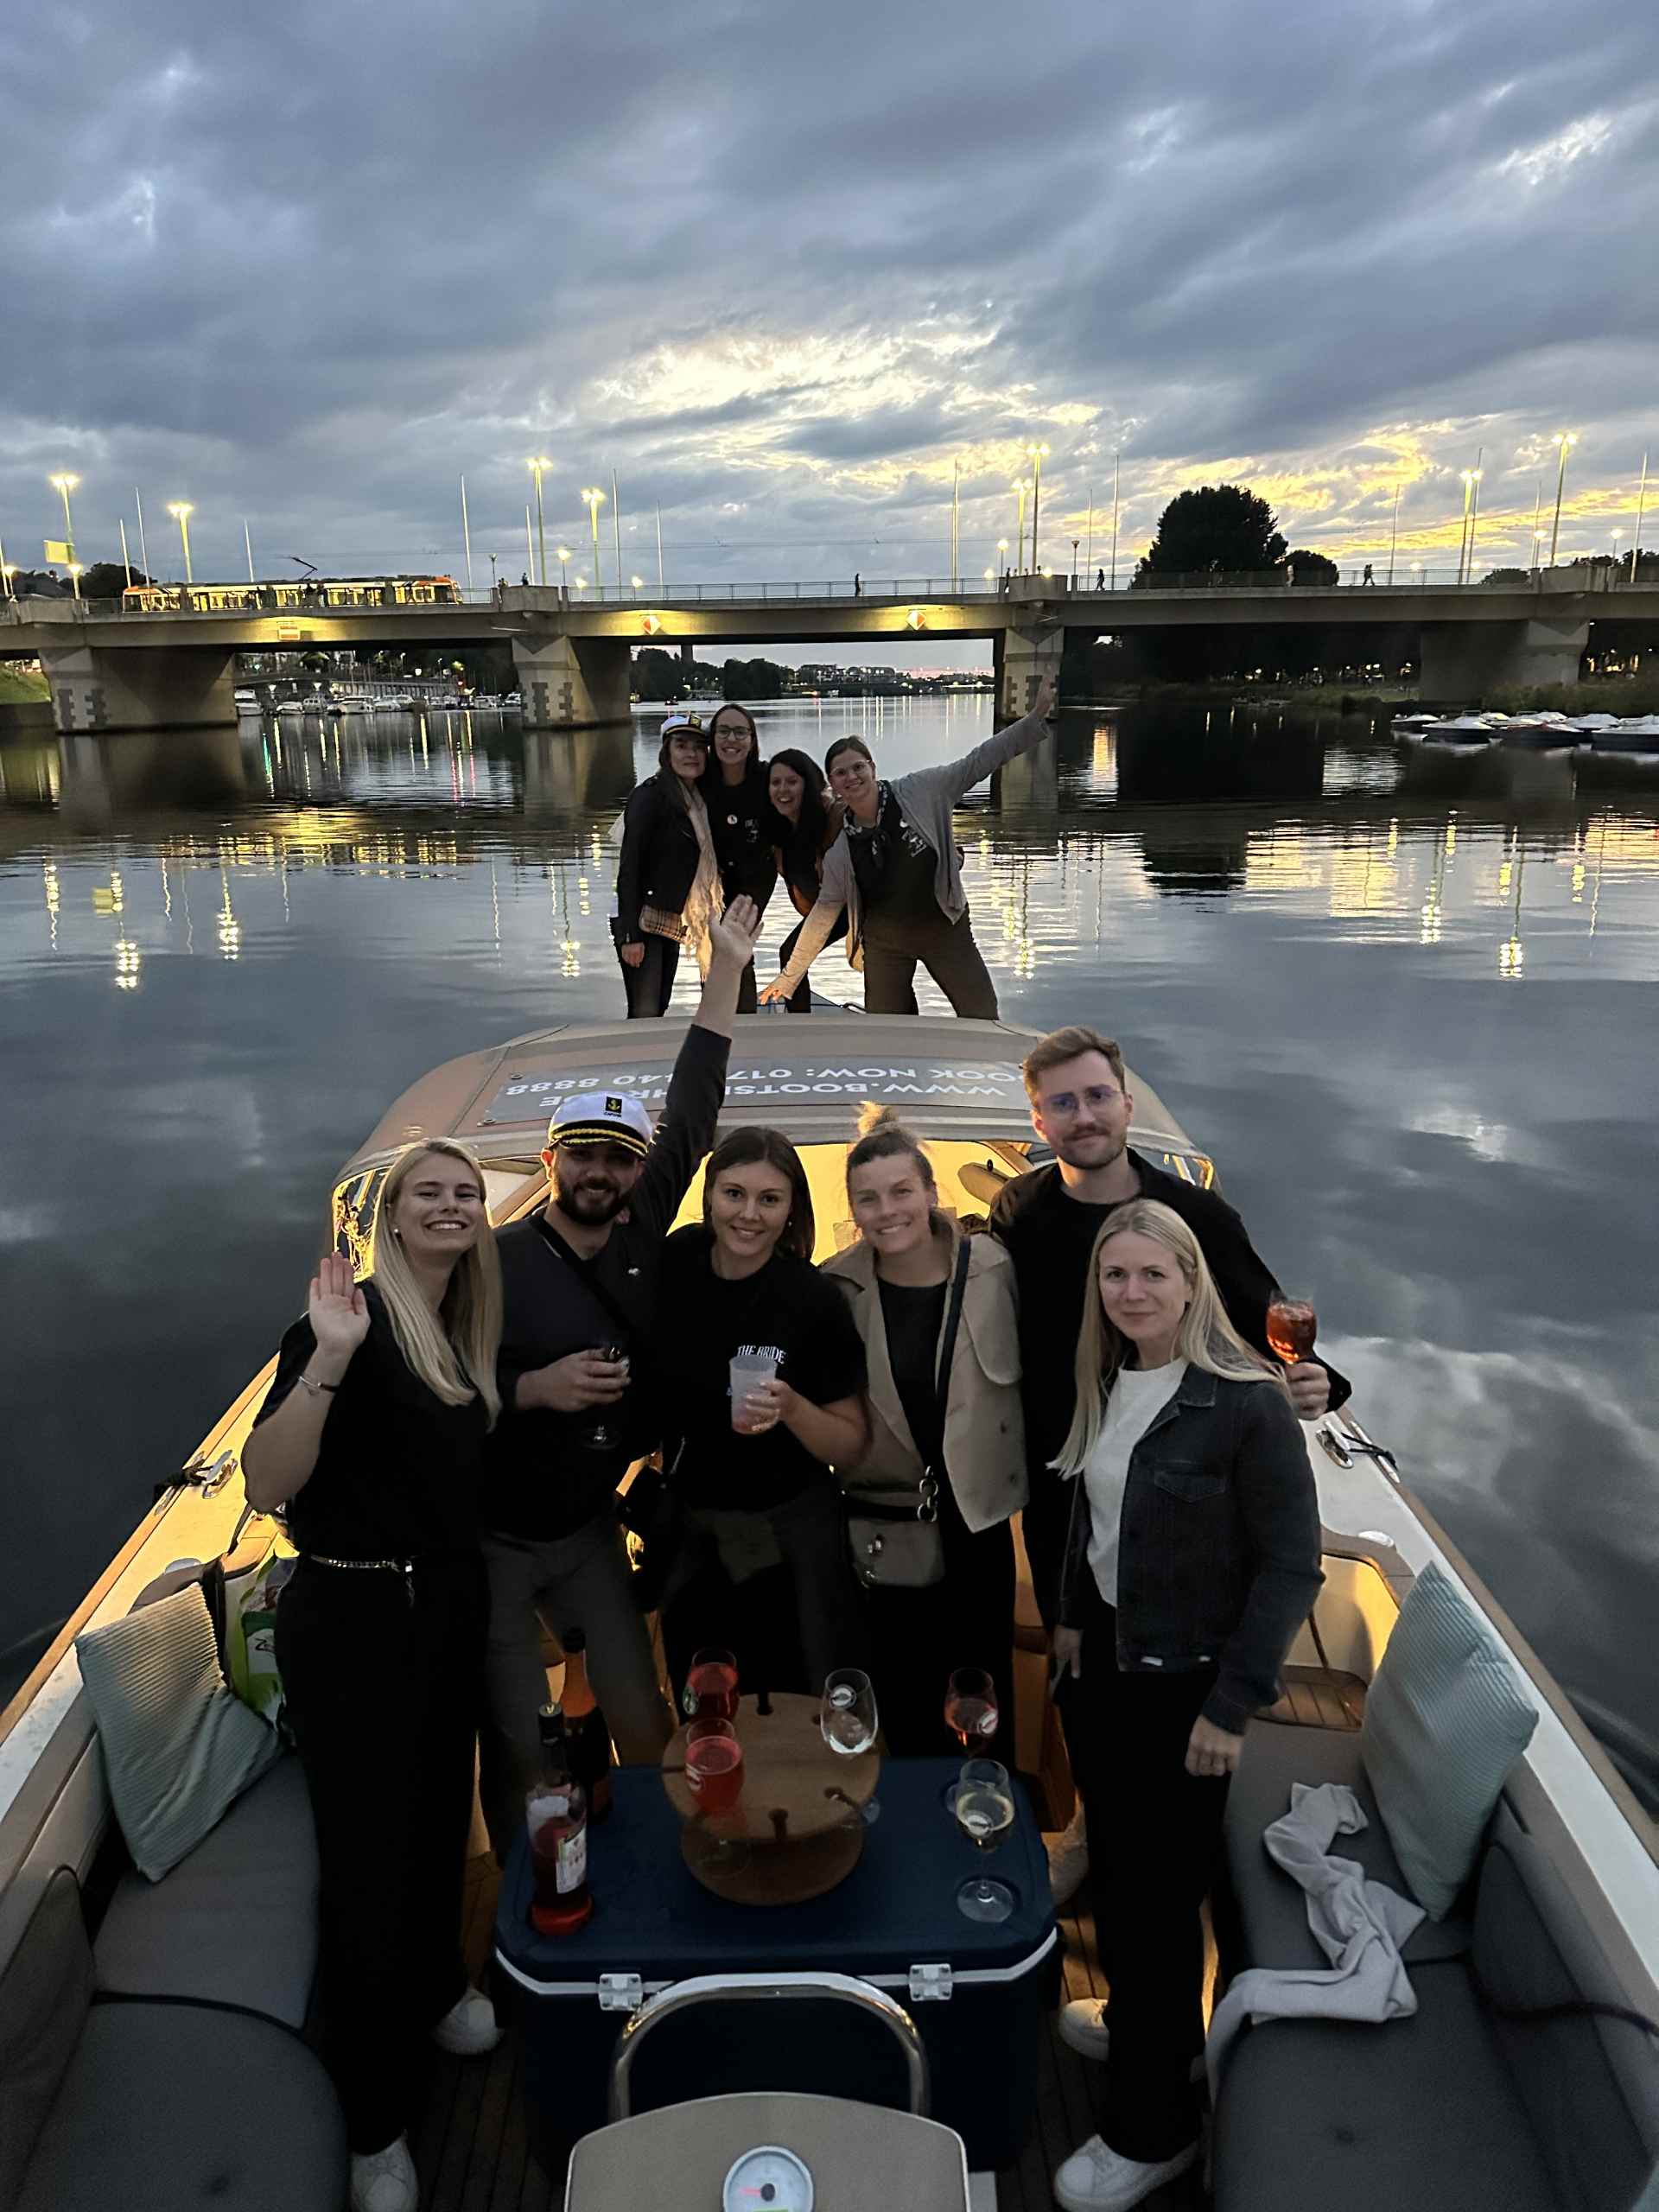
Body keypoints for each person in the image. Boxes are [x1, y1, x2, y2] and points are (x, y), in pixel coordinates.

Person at [990, 1024, 1347, 1902]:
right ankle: (1090, 1825)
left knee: (1167, 1661)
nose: (1084, 1116)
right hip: (1062, 1480)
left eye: (1097, 1096)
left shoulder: (1195, 1218)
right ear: (1038, 1121)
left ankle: (1169, 1845)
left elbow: (1264, 1315)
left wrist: (1311, 1377)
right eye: (1062, 1103)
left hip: (1175, 1481)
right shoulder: (1020, 1212)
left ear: (1126, 1101)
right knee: (1080, 1673)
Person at [242, 1141, 505, 2212]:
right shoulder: (337, 1326)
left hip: (442, 1605)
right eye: (428, 1193)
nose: (451, 1205)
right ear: (390, 1218)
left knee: (443, 1812)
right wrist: (330, 1358)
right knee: (365, 1864)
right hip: (350, 1615)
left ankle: (440, 1980)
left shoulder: (464, 1321)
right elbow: (265, 1482)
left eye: (466, 1193)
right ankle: (374, 2120)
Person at [1046, 1201, 1322, 2212]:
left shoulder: (1242, 1402)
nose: (1130, 1293)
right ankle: (1144, 2028)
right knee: (1120, 1873)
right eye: (1114, 1276)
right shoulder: (1110, 1376)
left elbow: (1291, 1567)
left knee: (1156, 1905)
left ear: (1193, 1278)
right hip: (1116, 1666)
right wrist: (1074, 1617)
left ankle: (1152, 2128)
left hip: (1190, 1686)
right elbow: (1093, 1512)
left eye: (1150, 1274)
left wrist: (1232, 1705)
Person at [478, 899, 764, 1861]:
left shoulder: (644, 1236)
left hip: (592, 1528)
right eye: (585, 1154)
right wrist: (532, 1390)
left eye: (620, 1158)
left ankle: (657, 1869)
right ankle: (529, 1892)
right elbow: (438, 1391)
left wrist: (726, 963)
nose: (602, 1171)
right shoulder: (493, 1261)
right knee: (518, 1729)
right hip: (496, 1538)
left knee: (645, 1716)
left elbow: (697, 1097)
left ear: (641, 1173)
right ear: (551, 1161)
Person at [822, 1109, 1026, 1754]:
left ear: (932, 1193)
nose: (888, 1211)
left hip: (980, 1527)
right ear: (853, 1207)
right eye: (869, 1199)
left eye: (902, 1192)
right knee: (905, 1701)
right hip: (885, 1530)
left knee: (983, 1700)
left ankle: (984, 1824)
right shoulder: (837, 1290)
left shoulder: (995, 1269)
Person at [653, 1127, 869, 1702]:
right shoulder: (675, 1262)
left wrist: (793, 1406)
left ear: (792, 1207)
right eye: (734, 1194)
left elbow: (850, 1445)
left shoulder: (812, 1299)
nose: (749, 1214)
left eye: (769, 1199)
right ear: (709, 1195)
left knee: (802, 1702)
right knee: (705, 1703)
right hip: (696, 1535)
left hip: (792, 1540)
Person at [758, 672, 1058, 1016]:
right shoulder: (842, 848)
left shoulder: (922, 791)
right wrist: (789, 977)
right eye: (841, 773)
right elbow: (824, 913)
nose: (851, 777)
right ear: (833, 785)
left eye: (858, 767)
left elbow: (981, 761)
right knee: (886, 1029)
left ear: (872, 767)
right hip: (885, 942)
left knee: (982, 1016)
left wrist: (1034, 719)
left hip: (944, 929)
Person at [612, 712, 720, 1017]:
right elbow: (629, 867)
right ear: (667, 752)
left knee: (660, 1003)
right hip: (642, 918)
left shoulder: (698, 798)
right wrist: (630, 936)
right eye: (682, 746)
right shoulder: (650, 796)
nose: (691, 754)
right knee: (645, 1011)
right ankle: (635, 1064)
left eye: (699, 748)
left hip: (671, 916)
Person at [703, 702, 779, 1014]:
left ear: (752, 739)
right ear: (713, 737)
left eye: (739, 732)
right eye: (723, 731)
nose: (730, 740)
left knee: (736, 945)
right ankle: (713, 1020)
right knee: (710, 948)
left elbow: (801, 793)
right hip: (711, 879)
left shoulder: (766, 778)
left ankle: (745, 1024)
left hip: (754, 876)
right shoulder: (702, 779)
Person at [767, 746, 846, 1011]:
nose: (783, 790)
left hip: (857, 908)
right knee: (789, 953)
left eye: (792, 782)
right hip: (823, 910)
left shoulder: (834, 817)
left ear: (808, 784)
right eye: (776, 783)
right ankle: (800, 1022)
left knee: (881, 966)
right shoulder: (779, 831)